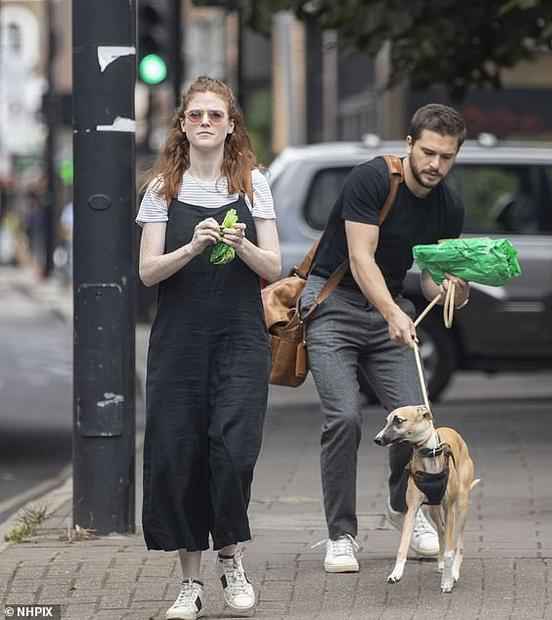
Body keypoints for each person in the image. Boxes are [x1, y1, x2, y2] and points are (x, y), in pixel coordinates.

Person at [300, 104, 470, 573]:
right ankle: (341, 534)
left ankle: (404, 509)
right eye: (429, 152)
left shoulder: (447, 206)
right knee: (345, 417)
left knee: (416, 419)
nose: (436, 165)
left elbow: (434, 279)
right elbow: (360, 257)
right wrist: (394, 312)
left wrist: (456, 288)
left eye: (447, 157)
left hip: (389, 310)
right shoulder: (373, 179)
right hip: (332, 303)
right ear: (410, 144)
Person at [137, 76, 281, 619]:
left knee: (234, 450)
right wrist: (191, 245)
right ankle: (190, 583)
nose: (204, 123)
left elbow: (274, 267)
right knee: (180, 455)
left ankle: (231, 558)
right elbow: (148, 273)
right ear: (182, 124)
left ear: (230, 125)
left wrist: (241, 242)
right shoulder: (161, 190)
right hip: (178, 343)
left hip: (240, 339)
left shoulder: (252, 184)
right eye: (195, 114)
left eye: (214, 115)